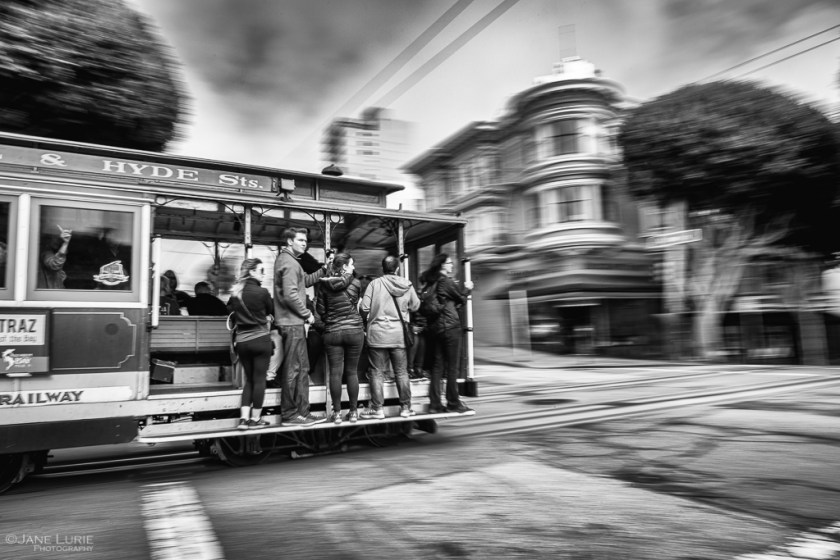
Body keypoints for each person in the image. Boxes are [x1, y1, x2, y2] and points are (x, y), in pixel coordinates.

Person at [274, 227, 330, 426]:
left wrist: (322, 271)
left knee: (302, 368)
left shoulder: (291, 261)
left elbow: (303, 282)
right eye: (300, 240)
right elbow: (290, 295)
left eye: (305, 240)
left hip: (293, 322)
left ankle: (303, 412)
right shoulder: (288, 262)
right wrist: (308, 315)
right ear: (289, 242)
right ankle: (290, 414)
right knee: (294, 370)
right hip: (292, 322)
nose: (304, 243)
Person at [359, 255, 420, 419]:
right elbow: (415, 305)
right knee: (401, 371)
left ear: (382, 268)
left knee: (377, 372)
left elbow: (364, 307)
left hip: (377, 334)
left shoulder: (375, 284)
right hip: (398, 335)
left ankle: (377, 409)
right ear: (397, 268)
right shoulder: (407, 285)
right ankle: (406, 407)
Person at [422, 253, 474, 414]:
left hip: (435, 329)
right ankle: (453, 402)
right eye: (450, 263)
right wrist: (468, 288)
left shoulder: (431, 282)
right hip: (450, 328)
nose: (452, 265)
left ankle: (435, 404)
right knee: (452, 367)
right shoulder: (446, 281)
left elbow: (451, 301)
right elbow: (462, 298)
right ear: (442, 265)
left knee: (437, 367)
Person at [227, 258, 274, 430]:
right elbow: (271, 310)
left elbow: (229, 310)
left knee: (249, 381)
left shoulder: (235, 292)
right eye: (262, 270)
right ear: (252, 272)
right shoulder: (262, 292)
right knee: (260, 380)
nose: (264, 274)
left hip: (242, 342)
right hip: (261, 341)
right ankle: (255, 419)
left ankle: (243, 419)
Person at [317, 252, 364, 424]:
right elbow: (356, 304)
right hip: (354, 332)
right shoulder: (357, 283)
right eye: (351, 264)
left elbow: (320, 311)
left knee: (335, 373)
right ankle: (353, 413)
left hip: (333, 332)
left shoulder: (323, 286)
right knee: (352, 372)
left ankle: (337, 413)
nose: (353, 267)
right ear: (344, 267)